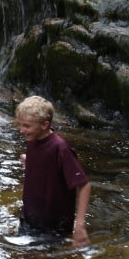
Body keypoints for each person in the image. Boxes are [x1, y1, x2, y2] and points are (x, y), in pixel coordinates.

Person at [15, 95, 91, 246]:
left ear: (44, 125)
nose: (21, 130)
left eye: (26, 126)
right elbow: (47, 167)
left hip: (54, 226)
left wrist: (80, 225)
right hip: (30, 219)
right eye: (20, 125)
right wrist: (30, 162)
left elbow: (84, 185)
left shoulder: (60, 148)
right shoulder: (33, 139)